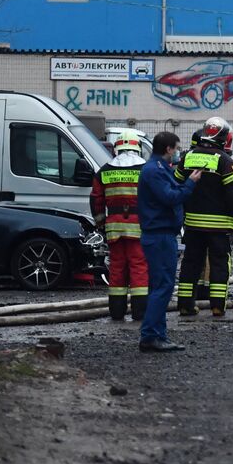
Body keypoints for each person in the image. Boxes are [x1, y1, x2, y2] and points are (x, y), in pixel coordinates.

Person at [137, 131, 201, 353]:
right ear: (168, 149)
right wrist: (190, 184)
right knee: (163, 286)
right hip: (159, 235)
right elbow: (170, 197)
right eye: (176, 148)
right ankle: (150, 336)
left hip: (162, 234)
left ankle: (158, 334)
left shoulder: (160, 169)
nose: (177, 153)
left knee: (159, 286)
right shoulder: (154, 171)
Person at [176, 116, 233, 317]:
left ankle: (185, 304)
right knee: (219, 265)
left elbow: (176, 184)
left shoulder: (187, 156)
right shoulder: (225, 161)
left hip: (193, 224)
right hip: (219, 226)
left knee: (190, 264)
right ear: (223, 138)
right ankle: (217, 306)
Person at [90, 129, 149, 321]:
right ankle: (140, 313)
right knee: (139, 268)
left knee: (117, 269)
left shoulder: (105, 171)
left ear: (116, 148)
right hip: (139, 227)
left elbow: (96, 200)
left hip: (114, 227)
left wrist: (100, 223)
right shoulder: (145, 170)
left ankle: (117, 312)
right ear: (137, 148)